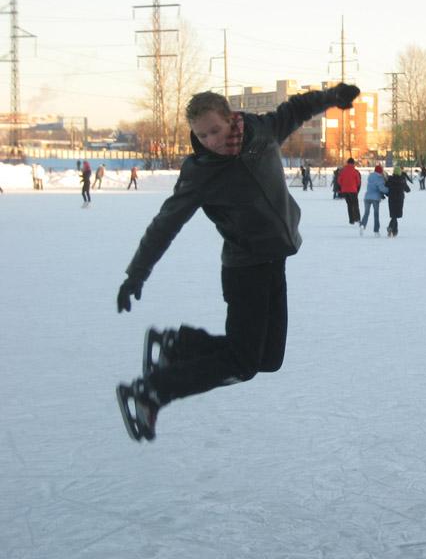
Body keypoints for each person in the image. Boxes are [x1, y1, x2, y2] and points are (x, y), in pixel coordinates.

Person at [114, 82, 361, 442]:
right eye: (201, 135)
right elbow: (166, 222)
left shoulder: (262, 132)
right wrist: (136, 274)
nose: (210, 140)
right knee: (242, 363)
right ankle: (153, 391)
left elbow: (297, 107)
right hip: (244, 269)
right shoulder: (201, 171)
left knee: (269, 359)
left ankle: (177, 346)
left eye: (215, 130)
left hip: (275, 260)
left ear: (231, 119)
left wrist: (332, 97)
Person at [360, 164, 389, 236]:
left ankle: (362, 225)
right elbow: (382, 189)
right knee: (376, 214)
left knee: (366, 213)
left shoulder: (370, 176)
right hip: (375, 198)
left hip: (367, 197)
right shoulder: (379, 178)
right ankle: (376, 231)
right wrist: (389, 190)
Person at [386, 166, 411, 237]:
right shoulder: (402, 179)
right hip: (399, 200)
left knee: (394, 215)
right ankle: (391, 228)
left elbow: (386, 185)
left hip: (391, 199)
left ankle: (394, 231)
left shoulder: (390, 179)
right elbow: (408, 190)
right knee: (396, 215)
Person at [337, 158, 362, 225]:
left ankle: (351, 220)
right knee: (355, 205)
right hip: (353, 190)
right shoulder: (355, 171)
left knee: (349, 205)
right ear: (353, 163)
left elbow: (339, 181)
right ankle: (357, 218)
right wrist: (355, 187)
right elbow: (358, 182)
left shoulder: (342, 171)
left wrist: (343, 186)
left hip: (345, 190)